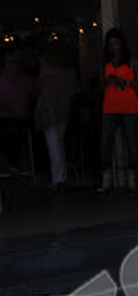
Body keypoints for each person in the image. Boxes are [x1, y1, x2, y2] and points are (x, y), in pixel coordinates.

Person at [98, 28, 138, 193]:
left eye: (117, 44)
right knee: (106, 141)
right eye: (111, 44)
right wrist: (108, 81)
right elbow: (100, 83)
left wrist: (126, 83)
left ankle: (132, 177)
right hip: (110, 106)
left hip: (129, 105)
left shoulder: (131, 61)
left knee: (131, 141)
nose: (114, 47)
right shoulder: (105, 62)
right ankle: (106, 176)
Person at [34, 44, 79, 192]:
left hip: (49, 110)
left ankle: (58, 179)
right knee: (58, 143)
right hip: (63, 109)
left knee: (54, 144)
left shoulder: (47, 71)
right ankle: (61, 176)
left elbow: (37, 88)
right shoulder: (69, 72)